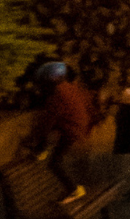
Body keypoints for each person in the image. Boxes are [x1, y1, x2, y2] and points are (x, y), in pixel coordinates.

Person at [28, 60, 98, 193]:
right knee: (56, 155)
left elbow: (47, 123)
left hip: (72, 133)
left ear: (49, 81)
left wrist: (39, 146)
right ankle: (74, 189)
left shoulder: (56, 96)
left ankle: (75, 190)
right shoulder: (71, 87)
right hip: (79, 129)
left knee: (55, 162)